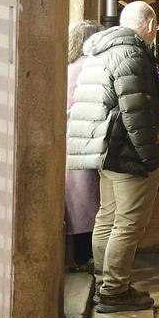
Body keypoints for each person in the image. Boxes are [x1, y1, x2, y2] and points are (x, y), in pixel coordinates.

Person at [67, 1, 159, 313]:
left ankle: (105, 282)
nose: (155, 31)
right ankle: (114, 290)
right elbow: (136, 111)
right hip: (125, 151)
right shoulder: (132, 53)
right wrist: (150, 158)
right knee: (127, 223)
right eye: (155, 26)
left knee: (107, 217)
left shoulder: (102, 50)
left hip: (103, 149)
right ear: (148, 25)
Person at [65, 20, 103, 272]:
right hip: (86, 138)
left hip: (67, 138)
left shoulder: (66, 67)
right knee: (88, 200)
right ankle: (84, 257)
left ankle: (77, 255)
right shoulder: (90, 66)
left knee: (76, 199)